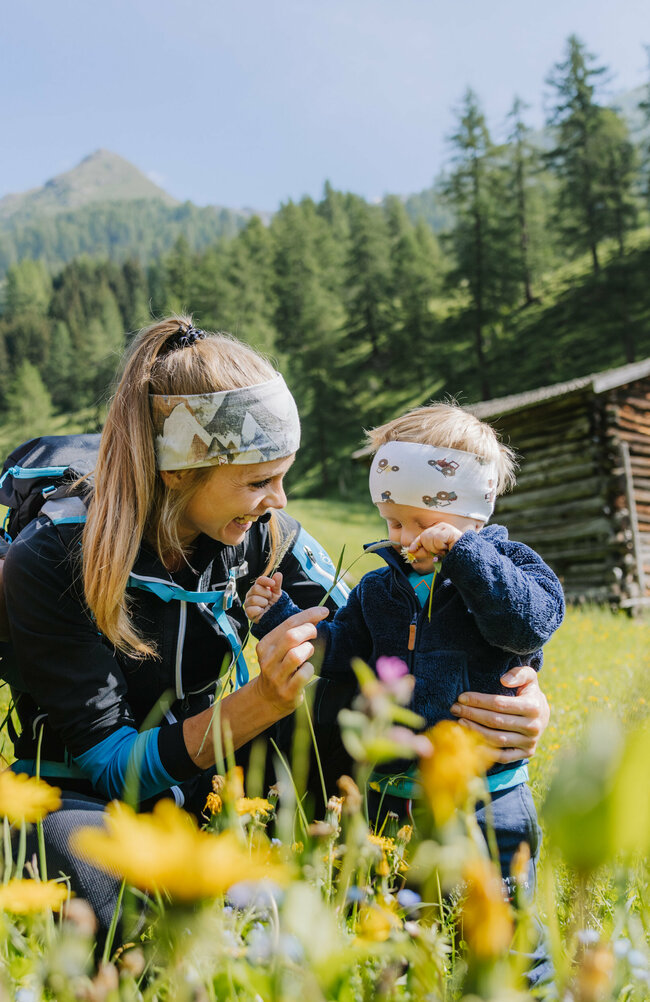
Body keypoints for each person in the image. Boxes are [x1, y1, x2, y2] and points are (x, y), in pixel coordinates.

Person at [2, 318, 550, 933]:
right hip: (79, 791)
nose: (280, 501)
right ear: (178, 469)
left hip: (211, 776)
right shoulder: (53, 556)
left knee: (350, 700)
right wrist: (261, 701)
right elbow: (112, 765)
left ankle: (405, 889)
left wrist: (520, 701)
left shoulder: (261, 534)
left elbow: (394, 642)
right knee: (125, 917)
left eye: (283, 476)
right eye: (259, 481)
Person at [245, 402, 564, 903]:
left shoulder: (509, 566)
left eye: (421, 522)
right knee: (397, 914)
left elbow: (529, 625)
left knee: (501, 919)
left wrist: (466, 558)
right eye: (393, 522)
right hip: (392, 794)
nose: (405, 539)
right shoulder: (380, 589)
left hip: (486, 795)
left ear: (473, 514)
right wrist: (279, 618)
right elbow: (341, 654)